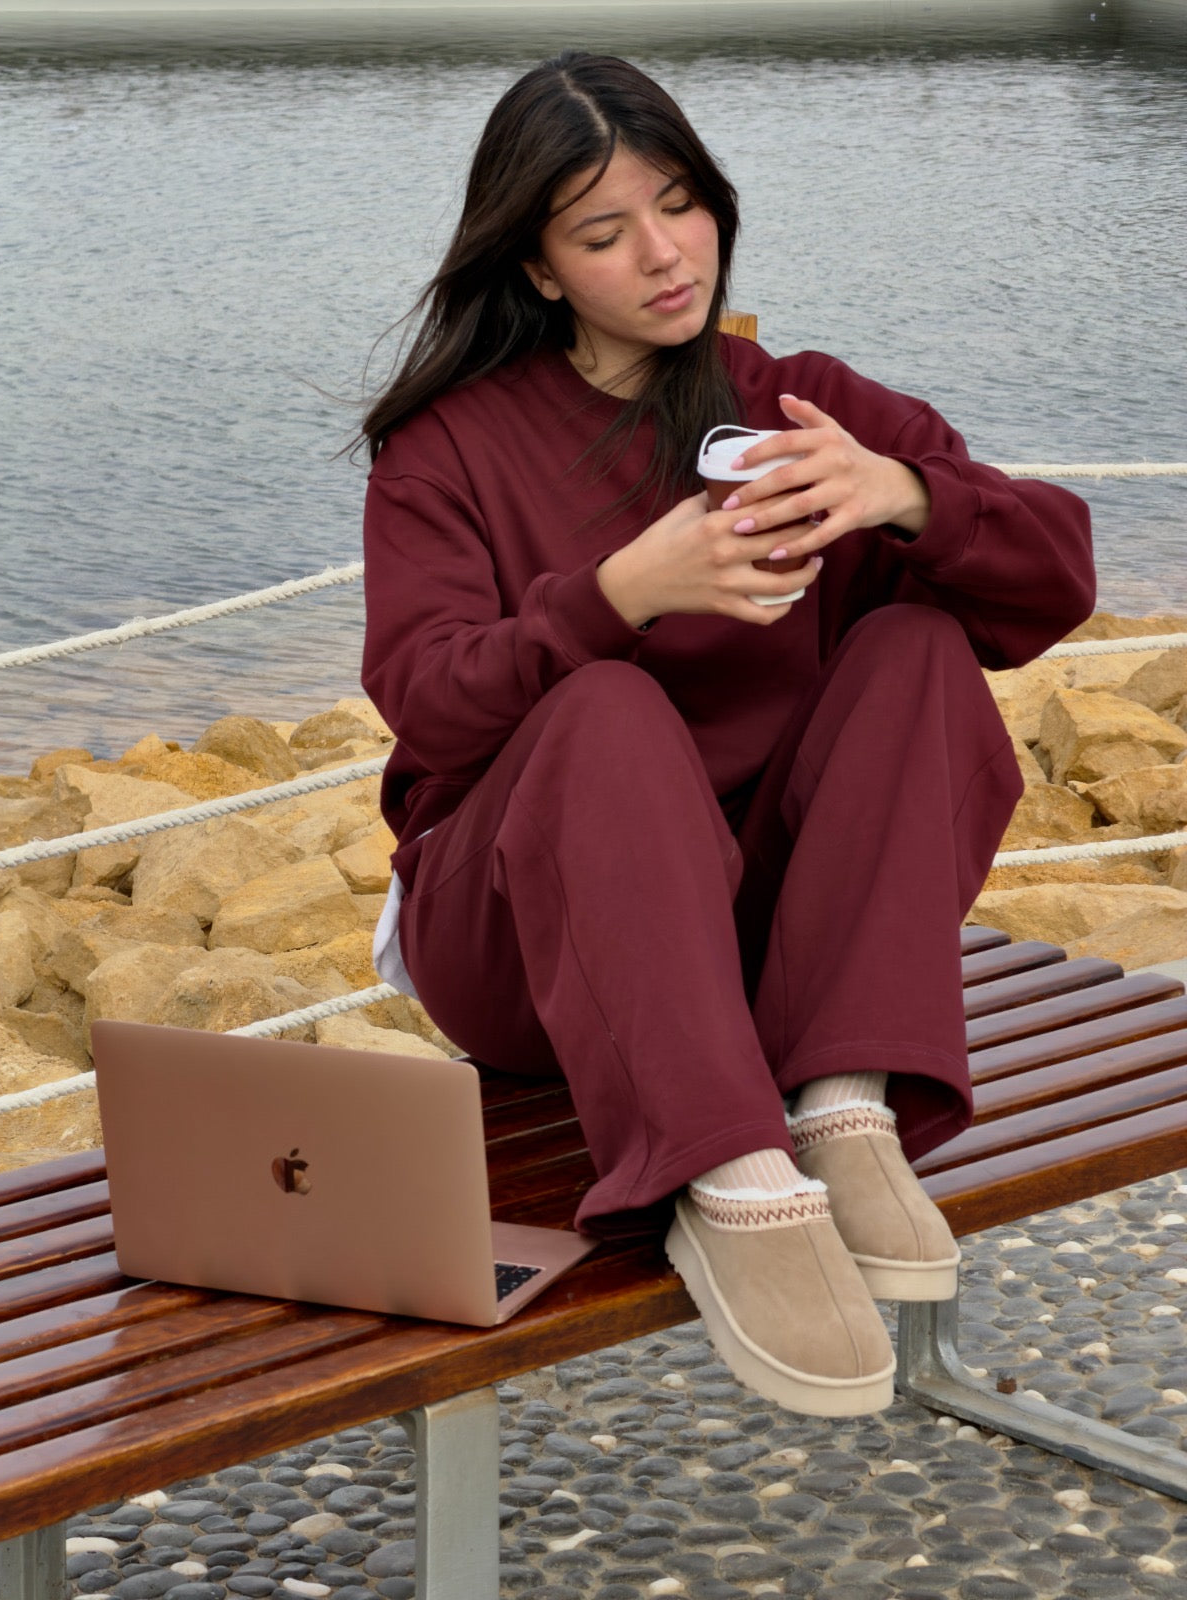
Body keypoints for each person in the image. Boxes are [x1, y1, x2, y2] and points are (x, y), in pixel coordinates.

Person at [358, 51, 1094, 1417]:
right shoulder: (446, 448)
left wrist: (901, 494)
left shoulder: (793, 401)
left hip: (760, 946)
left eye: (681, 204)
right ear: (536, 269)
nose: (663, 254)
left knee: (919, 646)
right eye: (603, 232)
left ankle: (843, 1103)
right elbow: (428, 700)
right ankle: (724, 1173)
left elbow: (1054, 579)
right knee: (607, 706)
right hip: (526, 938)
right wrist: (620, 595)